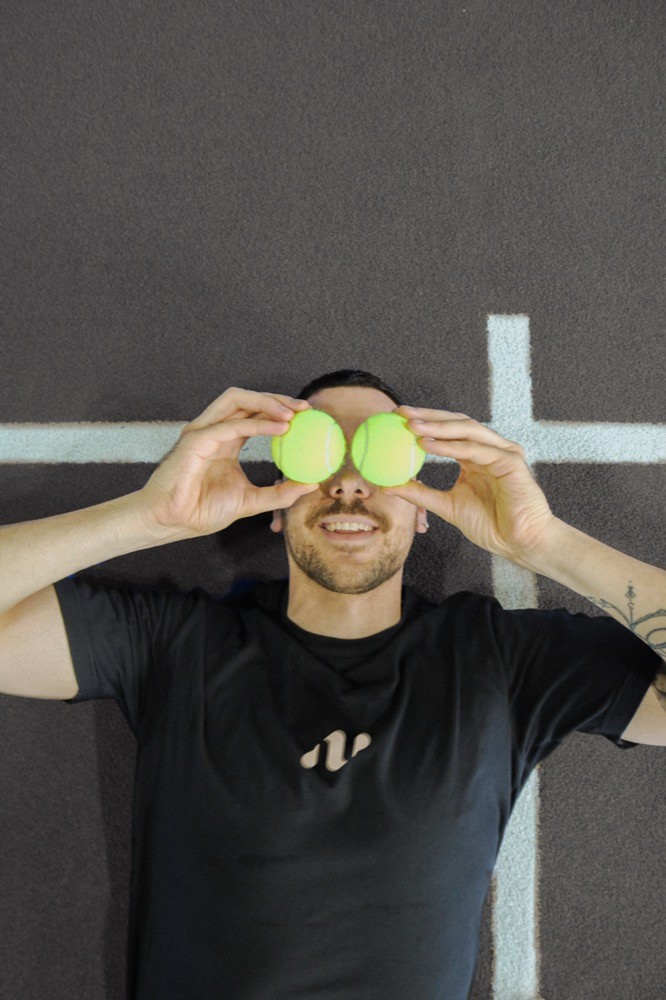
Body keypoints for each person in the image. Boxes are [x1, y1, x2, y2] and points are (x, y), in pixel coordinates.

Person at [1, 369, 664, 1000]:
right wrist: (150, 517)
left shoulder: (505, 661)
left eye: (380, 456)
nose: (348, 482)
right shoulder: (175, 645)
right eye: (318, 455)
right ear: (279, 505)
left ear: (424, 509)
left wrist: (543, 542)